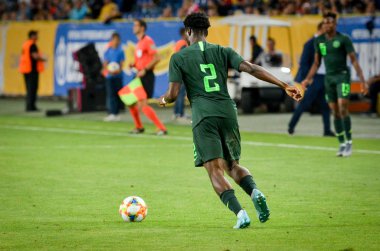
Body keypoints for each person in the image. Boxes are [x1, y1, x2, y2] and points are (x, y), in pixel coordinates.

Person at [158, 12, 302, 229]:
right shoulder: (223, 51)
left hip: (203, 115)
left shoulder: (179, 57)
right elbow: (252, 68)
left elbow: (172, 94)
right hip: (227, 112)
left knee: (214, 169)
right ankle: (255, 191)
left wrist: (163, 100)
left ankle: (240, 213)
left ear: (188, 31)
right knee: (231, 164)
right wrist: (284, 85)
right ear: (207, 31)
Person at [302, 12, 368, 157]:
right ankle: (342, 143)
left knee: (343, 106)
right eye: (324, 22)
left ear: (335, 24)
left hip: (342, 76)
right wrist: (307, 79)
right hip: (329, 78)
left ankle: (349, 142)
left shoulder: (343, 39)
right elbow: (316, 63)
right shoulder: (319, 41)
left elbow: (354, 60)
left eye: (330, 22)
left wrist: (363, 81)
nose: (327, 25)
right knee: (335, 111)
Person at [288, 22, 334, 136]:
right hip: (314, 78)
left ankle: (327, 130)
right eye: (325, 28)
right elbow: (303, 63)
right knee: (305, 104)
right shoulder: (309, 43)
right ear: (320, 29)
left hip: (323, 77)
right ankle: (291, 126)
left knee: (325, 105)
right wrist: (307, 79)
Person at [129, 18, 167, 135]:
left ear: (142, 28)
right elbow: (141, 60)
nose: (133, 27)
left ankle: (161, 128)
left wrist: (145, 69)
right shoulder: (139, 43)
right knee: (130, 101)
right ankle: (139, 126)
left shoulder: (148, 41)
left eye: (136, 25)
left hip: (146, 75)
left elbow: (157, 57)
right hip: (139, 75)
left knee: (143, 104)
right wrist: (134, 64)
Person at [19, 30, 46, 112]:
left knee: (29, 89)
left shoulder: (26, 44)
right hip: (31, 70)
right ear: (32, 36)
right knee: (32, 88)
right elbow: (35, 56)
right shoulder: (32, 45)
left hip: (25, 69)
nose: (37, 37)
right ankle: (31, 107)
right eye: (36, 35)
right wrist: (43, 59)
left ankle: (29, 106)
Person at [103, 32, 125, 122]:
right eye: (114, 39)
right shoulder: (108, 51)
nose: (116, 41)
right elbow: (105, 63)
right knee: (110, 95)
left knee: (118, 95)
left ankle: (117, 113)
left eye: (117, 40)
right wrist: (109, 71)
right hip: (109, 77)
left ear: (119, 41)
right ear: (111, 41)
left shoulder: (120, 51)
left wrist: (117, 71)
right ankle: (112, 113)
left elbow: (122, 64)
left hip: (118, 77)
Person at [173, 27, 188, 120]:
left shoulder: (179, 43)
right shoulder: (183, 44)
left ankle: (176, 113)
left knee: (179, 93)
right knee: (181, 93)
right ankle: (180, 114)